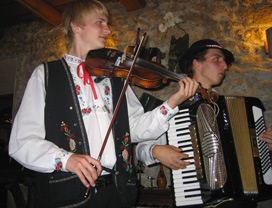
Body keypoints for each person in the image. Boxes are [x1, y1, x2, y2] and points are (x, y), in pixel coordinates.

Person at [8, 0, 198, 207]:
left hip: (118, 192)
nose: (108, 29)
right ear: (76, 26)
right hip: (69, 196)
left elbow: (134, 128)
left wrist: (172, 103)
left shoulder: (115, 78)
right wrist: (66, 159)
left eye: (107, 23)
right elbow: (22, 142)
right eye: (100, 22)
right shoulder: (45, 74)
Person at [136, 39, 234, 170]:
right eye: (217, 59)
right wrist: (155, 151)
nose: (225, 66)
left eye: (225, 61)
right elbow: (140, 149)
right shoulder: (175, 108)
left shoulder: (226, 107)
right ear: (197, 64)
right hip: (192, 184)